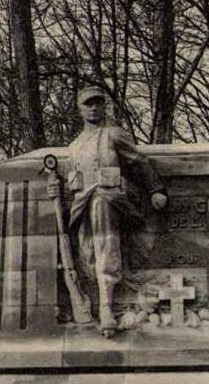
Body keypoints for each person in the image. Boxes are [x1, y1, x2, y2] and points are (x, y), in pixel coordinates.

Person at [48, 86, 168, 333]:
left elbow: (138, 162)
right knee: (87, 255)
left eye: (97, 103)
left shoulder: (113, 135)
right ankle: (95, 302)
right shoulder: (75, 145)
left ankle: (106, 307)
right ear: (80, 110)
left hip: (110, 201)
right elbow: (73, 182)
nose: (93, 108)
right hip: (81, 205)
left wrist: (156, 189)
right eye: (87, 104)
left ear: (104, 107)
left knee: (106, 244)